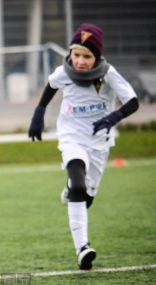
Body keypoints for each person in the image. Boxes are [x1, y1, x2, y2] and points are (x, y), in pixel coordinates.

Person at [28, 23, 139, 270]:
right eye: (76, 54)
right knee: (78, 185)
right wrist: (39, 113)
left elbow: (133, 102)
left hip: (98, 143)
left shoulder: (108, 73)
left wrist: (112, 118)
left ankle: (73, 191)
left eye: (86, 56)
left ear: (96, 56)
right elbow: (50, 86)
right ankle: (82, 249)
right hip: (71, 137)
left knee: (85, 197)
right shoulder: (64, 72)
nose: (80, 61)